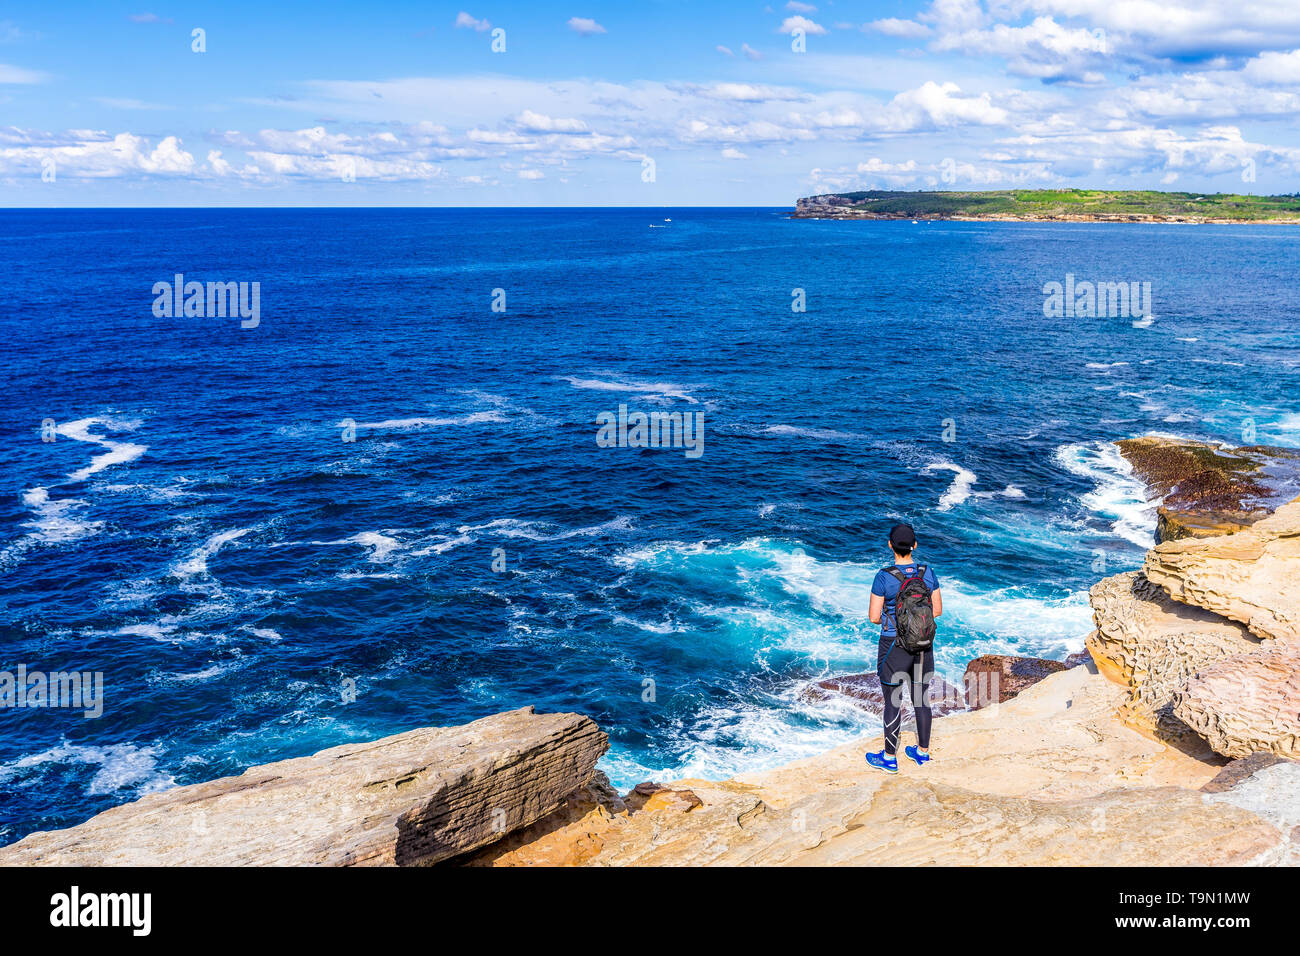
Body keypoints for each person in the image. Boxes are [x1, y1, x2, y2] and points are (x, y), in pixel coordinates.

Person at [864, 523, 942, 774]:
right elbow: (937, 611)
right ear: (914, 545)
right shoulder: (927, 572)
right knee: (921, 698)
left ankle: (889, 758)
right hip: (923, 645)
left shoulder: (884, 576)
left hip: (894, 647)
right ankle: (922, 753)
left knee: (892, 702)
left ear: (890, 545)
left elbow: (874, 617)